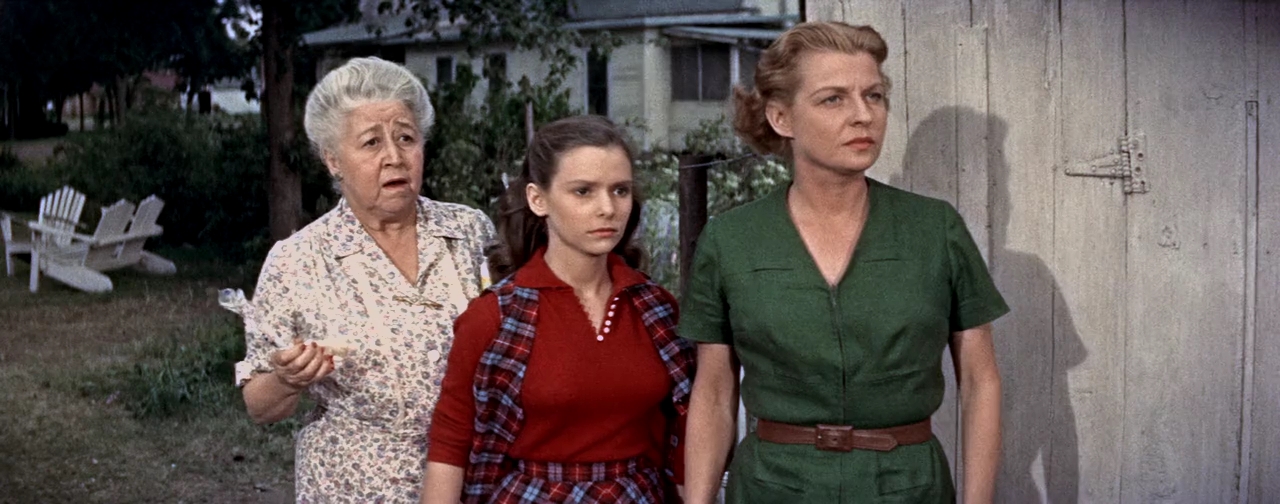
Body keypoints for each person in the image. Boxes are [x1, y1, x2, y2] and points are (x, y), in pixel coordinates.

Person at [680, 22, 1009, 504]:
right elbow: (712, 393)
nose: (863, 116)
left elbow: (981, 381)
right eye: (833, 99)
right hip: (774, 488)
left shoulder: (935, 230)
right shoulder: (731, 240)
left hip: (907, 488)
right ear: (781, 117)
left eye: (873, 96)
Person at [233, 56, 496, 503]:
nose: (394, 157)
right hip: (355, 487)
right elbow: (261, 406)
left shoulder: (469, 232)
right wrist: (289, 378)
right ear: (333, 160)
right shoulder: (298, 260)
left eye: (406, 138)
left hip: (478, 478)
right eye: (371, 142)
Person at [420, 115, 696, 504]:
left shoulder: (657, 311)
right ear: (538, 199)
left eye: (620, 190)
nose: (607, 208)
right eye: (583, 191)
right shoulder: (494, 318)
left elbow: (685, 437)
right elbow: (450, 444)